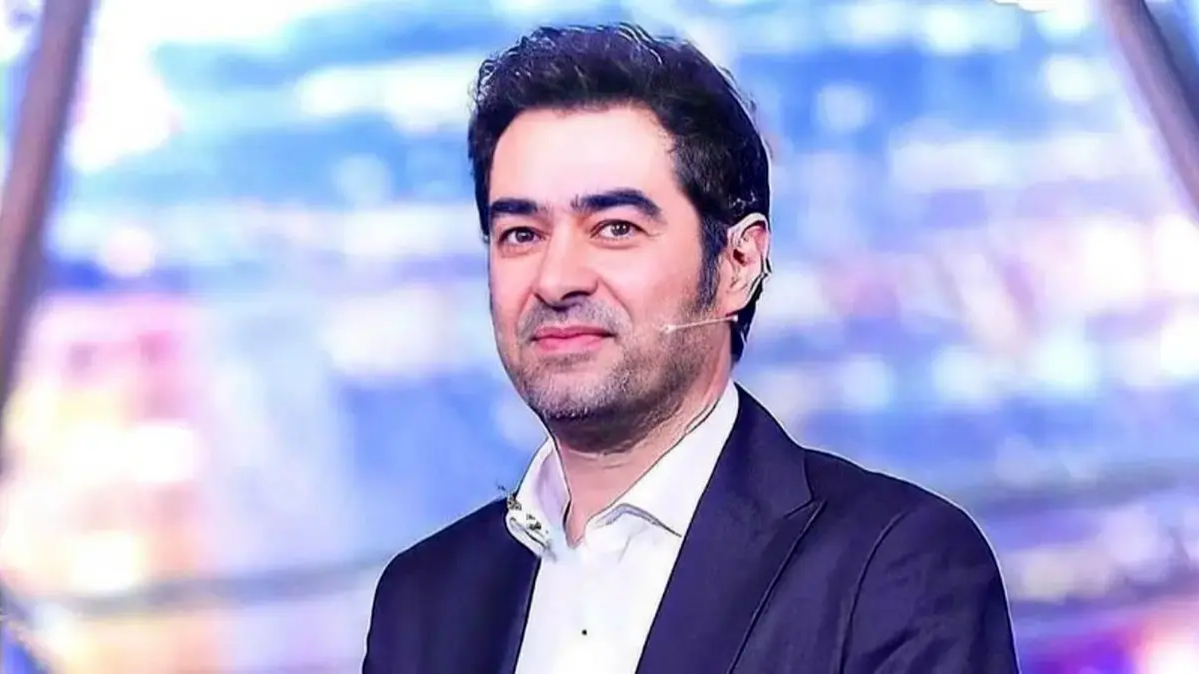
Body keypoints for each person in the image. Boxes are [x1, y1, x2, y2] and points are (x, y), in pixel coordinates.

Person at [364, 23, 1019, 674]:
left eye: (614, 228)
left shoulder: (892, 572)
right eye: (521, 234)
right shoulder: (424, 602)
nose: (556, 280)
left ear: (737, 263)